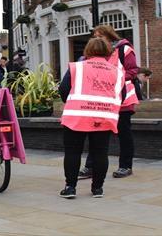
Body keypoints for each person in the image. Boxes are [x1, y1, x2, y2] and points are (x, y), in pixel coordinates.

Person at [58, 38, 125, 198]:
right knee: (101, 153)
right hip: (104, 116)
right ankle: (97, 189)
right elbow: (121, 94)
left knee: (73, 152)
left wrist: (74, 102)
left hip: (77, 116)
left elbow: (63, 89)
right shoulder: (117, 71)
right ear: (108, 51)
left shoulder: (77, 67)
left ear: (88, 50)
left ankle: (70, 187)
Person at [79, 25, 139, 179]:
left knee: (124, 133)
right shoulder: (97, 53)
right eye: (95, 36)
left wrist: (112, 77)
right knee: (95, 132)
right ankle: (90, 167)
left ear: (109, 36)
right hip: (103, 99)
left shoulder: (124, 50)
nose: (96, 39)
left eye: (100, 36)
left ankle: (125, 166)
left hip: (123, 100)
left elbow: (133, 72)